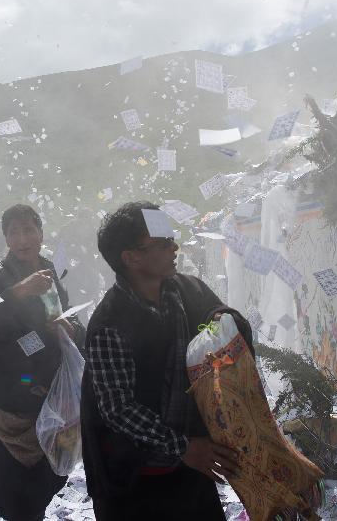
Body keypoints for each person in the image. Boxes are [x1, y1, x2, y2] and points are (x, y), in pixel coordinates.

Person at [80, 201, 255, 520]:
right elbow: (118, 409)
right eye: (162, 243)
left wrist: (225, 324)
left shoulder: (187, 290)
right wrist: (185, 447)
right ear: (131, 258)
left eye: (171, 238)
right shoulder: (109, 325)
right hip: (135, 481)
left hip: (190, 472)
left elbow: (219, 316)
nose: (175, 247)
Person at [0, 205, 86, 521]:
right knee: (11, 490)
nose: (23, 238)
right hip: (11, 403)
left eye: (29, 229)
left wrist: (70, 326)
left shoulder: (50, 272)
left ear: (41, 233)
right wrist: (18, 291)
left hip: (50, 398)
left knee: (46, 480)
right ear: (6, 238)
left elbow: (68, 312)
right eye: (15, 232)